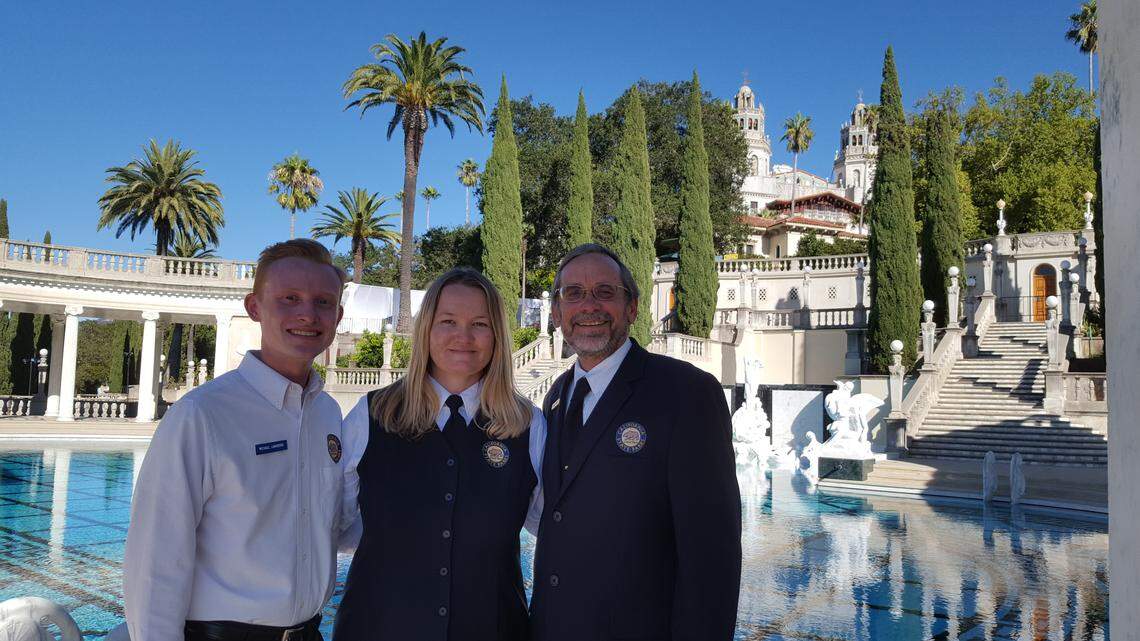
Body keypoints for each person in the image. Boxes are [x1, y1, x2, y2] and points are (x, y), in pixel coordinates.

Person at [123, 239, 347, 641]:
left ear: (339, 315)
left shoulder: (328, 414)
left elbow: (335, 524)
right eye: (289, 298)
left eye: (323, 302)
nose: (307, 313)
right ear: (254, 308)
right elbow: (155, 562)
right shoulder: (202, 415)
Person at [529, 243, 742, 641]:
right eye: (573, 293)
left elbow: (712, 555)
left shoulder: (685, 393)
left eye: (605, 292)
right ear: (557, 313)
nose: (589, 305)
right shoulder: (557, 395)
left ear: (631, 307)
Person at [334, 268, 544, 641]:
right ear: (427, 330)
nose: (463, 337)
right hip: (380, 628)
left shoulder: (529, 425)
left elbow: (548, 526)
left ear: (497, 334)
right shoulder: (370, 417)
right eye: (448, 321)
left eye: (479, 323)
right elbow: (341, 526)